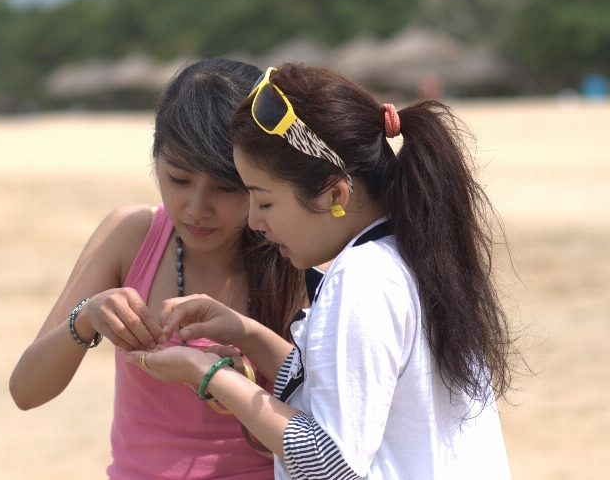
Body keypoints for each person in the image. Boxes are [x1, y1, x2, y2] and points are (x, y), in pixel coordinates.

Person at [127, 64, 517, 479]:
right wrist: (247, 333)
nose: (255, 221)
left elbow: (330, 462)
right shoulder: (411, 251)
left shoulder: (361, 279)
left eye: (265, 201)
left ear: (335, 193)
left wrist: (208, 374)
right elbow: (336, 395)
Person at [9, 59, 310, 479]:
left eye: (226, 188)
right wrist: (89, 316)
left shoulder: (295, 253)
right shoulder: (133, 235)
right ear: (156, 160)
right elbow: (26, 390)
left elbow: (324, 431)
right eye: (179, 180)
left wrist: (228, 375)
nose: (197, 209)